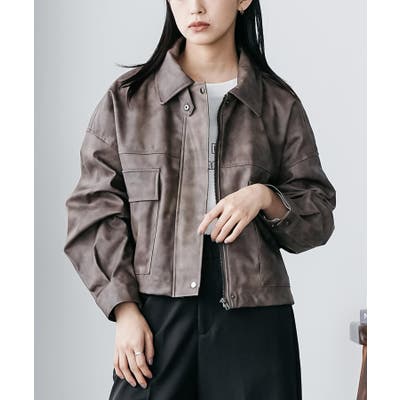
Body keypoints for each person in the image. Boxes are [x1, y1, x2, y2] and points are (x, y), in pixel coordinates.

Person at [64, 1, 336, 399]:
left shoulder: (278, 103)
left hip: (254, 315)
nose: (195, 7)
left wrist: (264, 197)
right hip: (156, 313)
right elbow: (92, 213)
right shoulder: (127, 100)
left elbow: (318, 217)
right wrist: (125, 310)